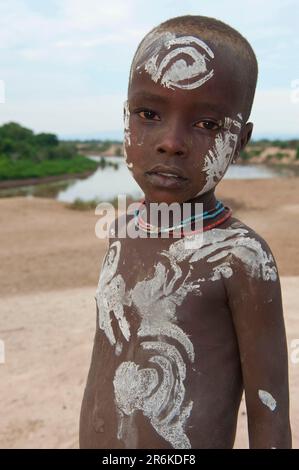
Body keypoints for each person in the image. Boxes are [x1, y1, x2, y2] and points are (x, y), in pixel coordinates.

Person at [79, 15, 292, 449]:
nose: (171, 142)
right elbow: (105, 364)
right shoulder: (121, 232)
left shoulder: (241, 258)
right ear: (125, 118)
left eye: (208, 124)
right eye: (149, 114)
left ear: (241, 141)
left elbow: (269, 412)